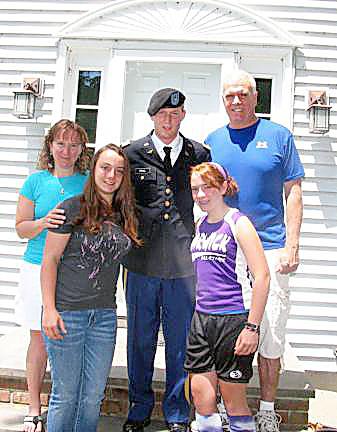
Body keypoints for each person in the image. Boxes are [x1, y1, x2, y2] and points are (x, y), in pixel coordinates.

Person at [205, 69, 304, 432]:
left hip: (271, 249)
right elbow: (204, 193)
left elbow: (294, 192)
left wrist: (292, 244)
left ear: (255, 97)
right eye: (230, 95)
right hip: (226, 253)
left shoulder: (278, 136)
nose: (236, 101)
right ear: (223, 100)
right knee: (228, 331)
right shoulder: (213, 140)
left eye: (243, 94)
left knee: (270, 334)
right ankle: (230, 409)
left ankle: (265, 410)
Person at [122, 88, 210, 432]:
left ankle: (177, 414)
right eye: (163, 115)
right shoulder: (132, 154)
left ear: (183, 116)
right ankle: (139, 409)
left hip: (182, 268)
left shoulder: (199, 153)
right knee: (140, 340)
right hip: (141, 263)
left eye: (175, 114)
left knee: (179, 343)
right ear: (153, 117)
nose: (169, 120)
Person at [41, 143, 140, 432]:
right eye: (105, 168)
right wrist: (49, 309)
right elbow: (50, 260)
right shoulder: (72, 207)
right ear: (93, 169)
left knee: (93, 396)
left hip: (104, 317)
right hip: (67, 314)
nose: (111, 175)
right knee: (66, 395)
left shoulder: (124, 215)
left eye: (119, 171)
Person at [15, 119, 90, 432]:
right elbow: (21, 228)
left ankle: (69, 407)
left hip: (73, 272)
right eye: (60, 143)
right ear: (49, 146)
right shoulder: (35, 182)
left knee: (72, 340)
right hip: (36, 268)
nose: (66, 150)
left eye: (73, 144)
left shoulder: (88, 182)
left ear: (81, 150)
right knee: (40, 340)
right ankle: (34, 408)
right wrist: (44, 221)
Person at [184, 161, 270, 432]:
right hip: (202, 320)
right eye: (195, 189)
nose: (201, 195)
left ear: (223, 187)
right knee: (202, 398)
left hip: (233, 320)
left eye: (207, 187)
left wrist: (252, 328)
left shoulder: (238, 223)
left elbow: (262, 277)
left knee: (234, 404)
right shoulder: (199, 224)